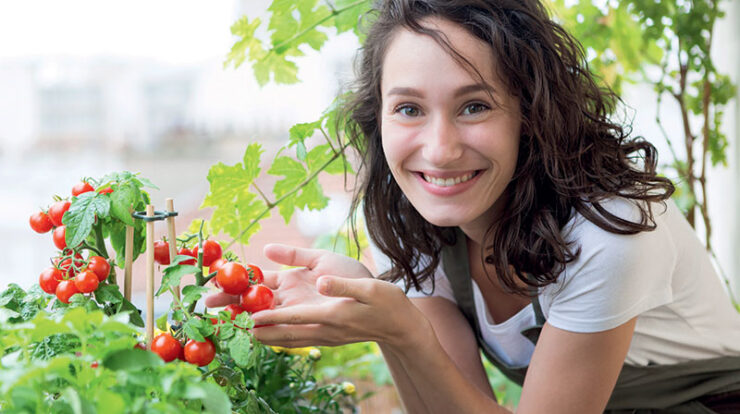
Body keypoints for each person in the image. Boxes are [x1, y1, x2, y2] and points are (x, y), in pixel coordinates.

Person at [207, 0, 740, 412]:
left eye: (475, 106)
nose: (439, 151)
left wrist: (400, 326)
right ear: (379, 118)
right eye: (409, 108)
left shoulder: (609, 231)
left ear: (529, 113)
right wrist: (385, 314)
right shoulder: (408, 216)